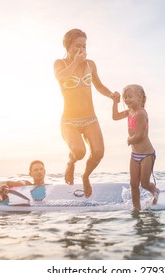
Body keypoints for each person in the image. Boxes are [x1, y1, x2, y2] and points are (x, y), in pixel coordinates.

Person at [53, 28, 120, 198]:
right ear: (67, 46)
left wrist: (111, 94)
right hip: (69, 121)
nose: (82, 49)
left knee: (98, 153)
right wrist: (75, 61)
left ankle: (85, 176)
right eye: (77, 46)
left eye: (84, 46)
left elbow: (98, 86)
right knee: (79, 152)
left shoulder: (90, 64)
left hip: (90, 119)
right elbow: (61, 78)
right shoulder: (59, 64)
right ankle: (71, 162)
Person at [112, 84, 159, 211]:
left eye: (130, 96)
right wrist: (115, 102)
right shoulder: (129, 112)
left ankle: (155, 190)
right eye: (125, 97)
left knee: (144, 183)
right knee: (133, 184)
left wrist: (130, 140)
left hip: (147, 154)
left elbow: (141, 134)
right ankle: (136, 208)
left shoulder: (141, 114)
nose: (126, 100)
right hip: (135, 155)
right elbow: (115, 117)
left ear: (139, 97)